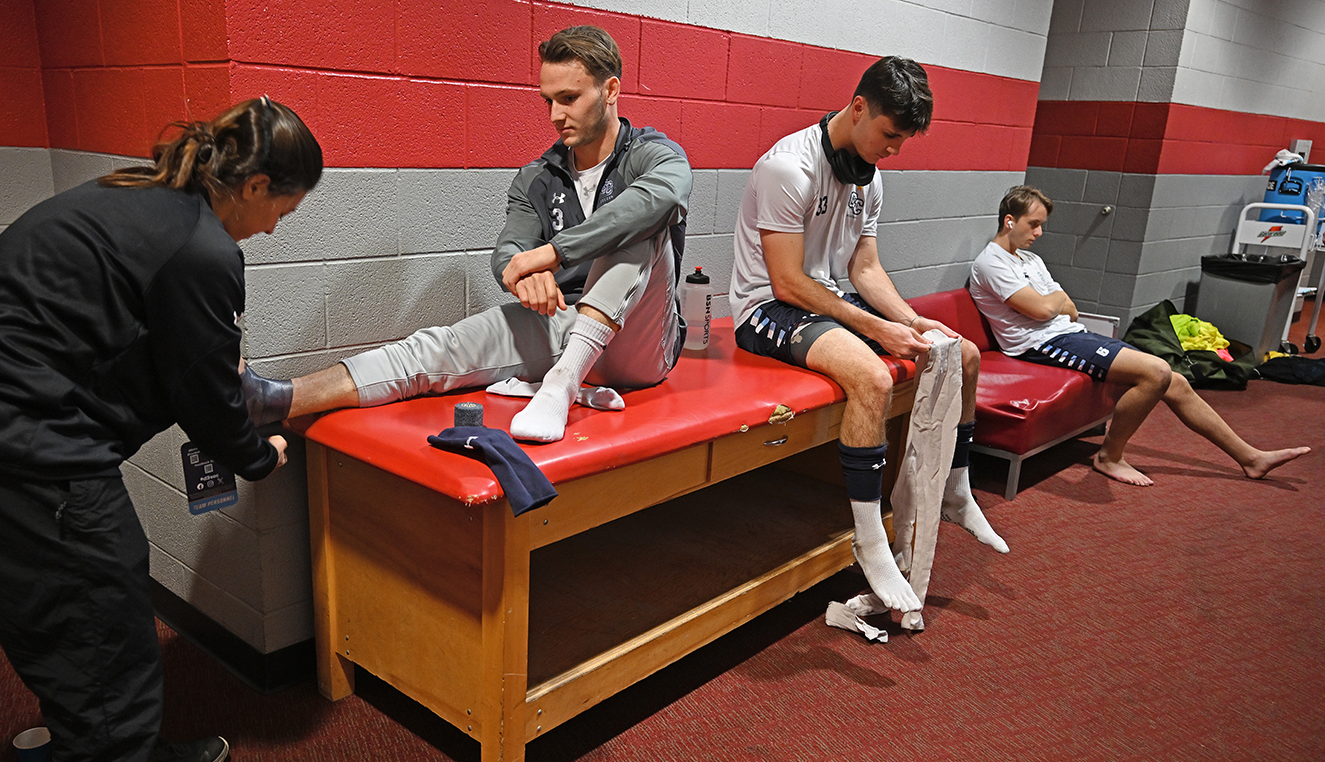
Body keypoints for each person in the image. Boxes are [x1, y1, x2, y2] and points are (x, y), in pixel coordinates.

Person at [0, 98, 318, 762]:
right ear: (257, 184)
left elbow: (148, 351)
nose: (274, 230)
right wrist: (256, 456)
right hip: (11, 454)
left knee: (77, 624)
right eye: (282, 211)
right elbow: (205, 395)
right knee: (103, 639)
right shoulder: (200, 248)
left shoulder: (137, 200)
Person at [242, 25, 692, 444]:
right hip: (562, 319)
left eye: (570, 98)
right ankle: (272, 398)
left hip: (638, 342)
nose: (555, 115)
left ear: (610, 90)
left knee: (640, 221)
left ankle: (561, 383)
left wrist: (553, 254)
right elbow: (510, 249)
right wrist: (520, 273)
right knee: (436, 349)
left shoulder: (654, 156)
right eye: (547, 100)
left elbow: (663, 200)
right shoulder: (537, 175)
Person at [729, 56, 1007, 616]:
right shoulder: (789, 168)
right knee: (873, 379)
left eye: (903, 139)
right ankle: (868, 537)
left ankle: (957, 488)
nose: (895, 149)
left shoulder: (868, 175)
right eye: (890, 134)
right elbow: (787, 282)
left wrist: (910, 319)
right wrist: (876, 328)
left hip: (829, 297)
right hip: (766, 308)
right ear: (858, 108)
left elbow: (866, 270)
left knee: (965, 354)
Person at [968, 184, 1310, 487]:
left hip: (1068, 332)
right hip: (1039, 344)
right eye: (1034, 224)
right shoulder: (992, 262)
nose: (1039, 232)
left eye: (1042, 224)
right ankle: (1109, 457)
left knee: (1174, 380)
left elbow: (1069, 308)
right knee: (1156, 372)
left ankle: (1250, 457)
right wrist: (1051, 303)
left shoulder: (1029, 258)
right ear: (1009, 221)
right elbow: (1045, 310)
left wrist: (1051, 303)